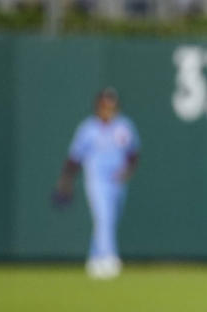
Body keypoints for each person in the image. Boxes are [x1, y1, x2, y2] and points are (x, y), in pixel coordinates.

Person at [53, 87, 140, 279]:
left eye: (112, 105)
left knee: (110, 219)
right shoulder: (88, 129)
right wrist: (65, 181)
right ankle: (109, 258)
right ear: (98, 106)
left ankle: (95, 259)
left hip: (117, 181)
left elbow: (133, 155)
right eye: (105, 105)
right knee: (104, 217)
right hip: (97, 180)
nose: (108, 108)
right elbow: (74, 159)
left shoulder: (123, 126)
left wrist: (127, 172)